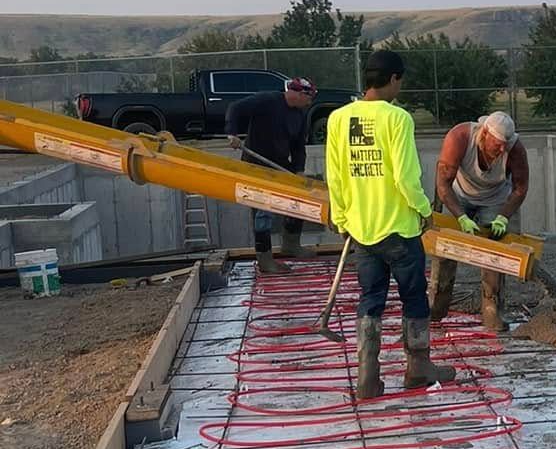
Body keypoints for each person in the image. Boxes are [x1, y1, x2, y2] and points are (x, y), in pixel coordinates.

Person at [325, 48, 456, 399]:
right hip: (399, 229)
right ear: (394, 78)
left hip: (362, 230)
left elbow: (334, 177)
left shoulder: (339, 118)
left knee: (371, 298)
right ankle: (418, 368)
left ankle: (367, 378)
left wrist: (342, 218)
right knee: (413, 297)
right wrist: (424, 209)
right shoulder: (398, 119)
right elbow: (405, 177)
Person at [428, 111, 530, 333]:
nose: (502, 150)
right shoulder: (459, 138)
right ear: (484, 134)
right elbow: (443, 184)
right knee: (446, 248)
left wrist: (503, 217)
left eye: (505, 145)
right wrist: (461, 217)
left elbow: (520, 188)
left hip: (495, 199)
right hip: (459, 196)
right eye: (497, 144)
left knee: (493, 252)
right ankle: (436, 305)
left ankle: (492, 310)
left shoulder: (515, 149)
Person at [226, 77, 316, 272]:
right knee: (262, 211)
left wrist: (299, 170)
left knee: (300, 199)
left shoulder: (300, 115)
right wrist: (232, 133)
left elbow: (298, 146)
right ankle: (265, 258)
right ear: (299, 94)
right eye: (309, 98)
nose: (310, 102)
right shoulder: (267, 100)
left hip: (279, 164)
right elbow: (235, 108)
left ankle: (291, 243)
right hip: (255, 165)